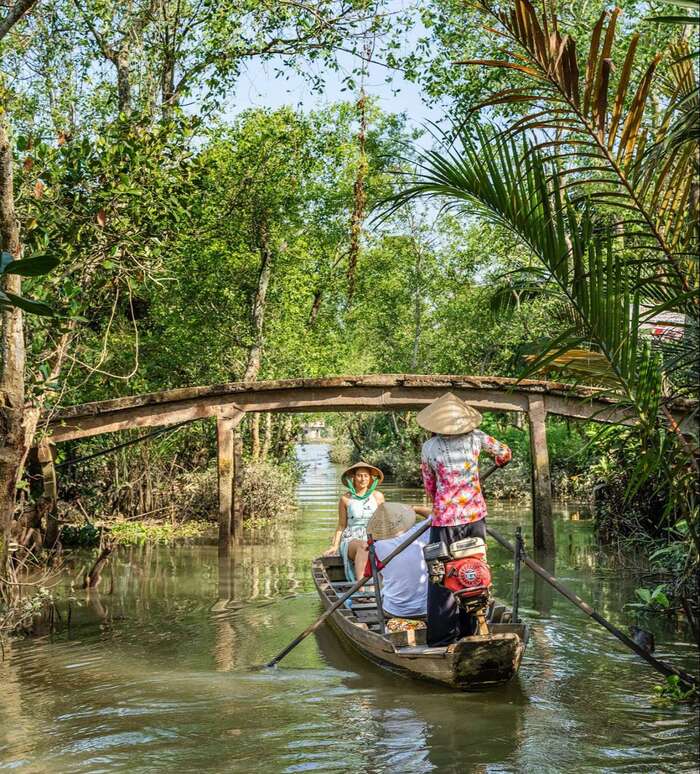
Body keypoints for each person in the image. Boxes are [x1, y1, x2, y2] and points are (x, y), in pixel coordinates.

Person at [417, 392, 511, 646]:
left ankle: (441, 639)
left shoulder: (429, 448)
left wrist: (444, 495)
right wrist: (492, 465)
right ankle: (470, 632)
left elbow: (430, 487)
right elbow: (504, 454)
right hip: (474, 518)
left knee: (441, 577)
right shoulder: (477, 438)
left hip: (445, 521)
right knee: (472, 573)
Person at [367, 502, 430, 620]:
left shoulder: (376, 546)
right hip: (428, 608)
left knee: (382, 579)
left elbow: (379, 578)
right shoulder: (420, 531)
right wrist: (414, 508)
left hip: (394, 611)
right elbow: (436, 515)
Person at [324, 461, 385, 582]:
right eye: (359, 475)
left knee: (381, 547)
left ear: (370, 478)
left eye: (366, 476)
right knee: (364, 546)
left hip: (374, 536)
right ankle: (361, 589)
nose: (363, 479)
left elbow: (384, 522)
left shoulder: (378, 496)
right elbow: (341, 525)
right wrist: (334, 545)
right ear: (353, 478)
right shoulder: (345, 499)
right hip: (351, 538)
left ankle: (386, 588)